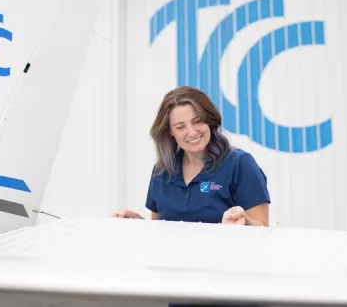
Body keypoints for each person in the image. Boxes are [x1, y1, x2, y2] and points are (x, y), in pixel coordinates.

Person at [113, 86, 270, 226]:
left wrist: (245, 221)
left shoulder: (240, 164)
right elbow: (159, 229)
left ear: (209, 120)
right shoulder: (161, 171)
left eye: (197, 121)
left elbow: (262, 228)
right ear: (170, 132)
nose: (192, 132)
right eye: (180, 127)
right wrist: (136, 224)